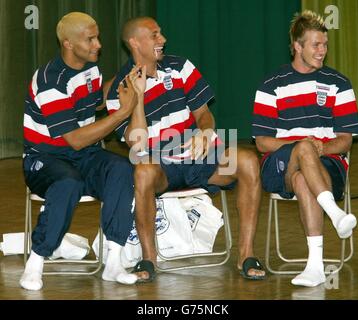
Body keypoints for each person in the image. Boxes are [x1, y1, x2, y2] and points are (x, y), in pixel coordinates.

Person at [106, 16, 265, 282]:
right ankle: (148, 259)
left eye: (161, 34)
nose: (162, 40)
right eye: (155, 35)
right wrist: (139, 97)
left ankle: (245, 255)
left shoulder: (181, 67)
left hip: (200, 157)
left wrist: (205, 132)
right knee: (143, 173)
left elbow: (204, 114)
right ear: (135, 42)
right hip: (162, 168)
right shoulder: (119, 88)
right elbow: (137, 143)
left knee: (247, 161)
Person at [20, 12, 143, 290]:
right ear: (68, 44)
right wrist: (123, 112)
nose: (98, 44)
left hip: (83, 155)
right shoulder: (50, 81)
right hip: (44, 158)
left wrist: (128, 74)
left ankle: (114, 260)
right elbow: (74, 138)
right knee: (68, 183)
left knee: (121, 169)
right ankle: (36, 260)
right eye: (90, 39)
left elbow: (95, 101)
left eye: (97, 36)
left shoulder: (91, 69)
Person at [252, 10, 358, 287]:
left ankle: (314, 267)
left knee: (304, 178)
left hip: (328, 166)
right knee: (301, 150)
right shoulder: (270, 84)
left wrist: (317, 150)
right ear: (297, 46)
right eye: (315, 44)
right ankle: (336, 214)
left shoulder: (339, 83)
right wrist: (302, 146)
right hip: (280, 167)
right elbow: (262, 142)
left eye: (324, 44)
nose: (322, 50)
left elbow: (345, 140)